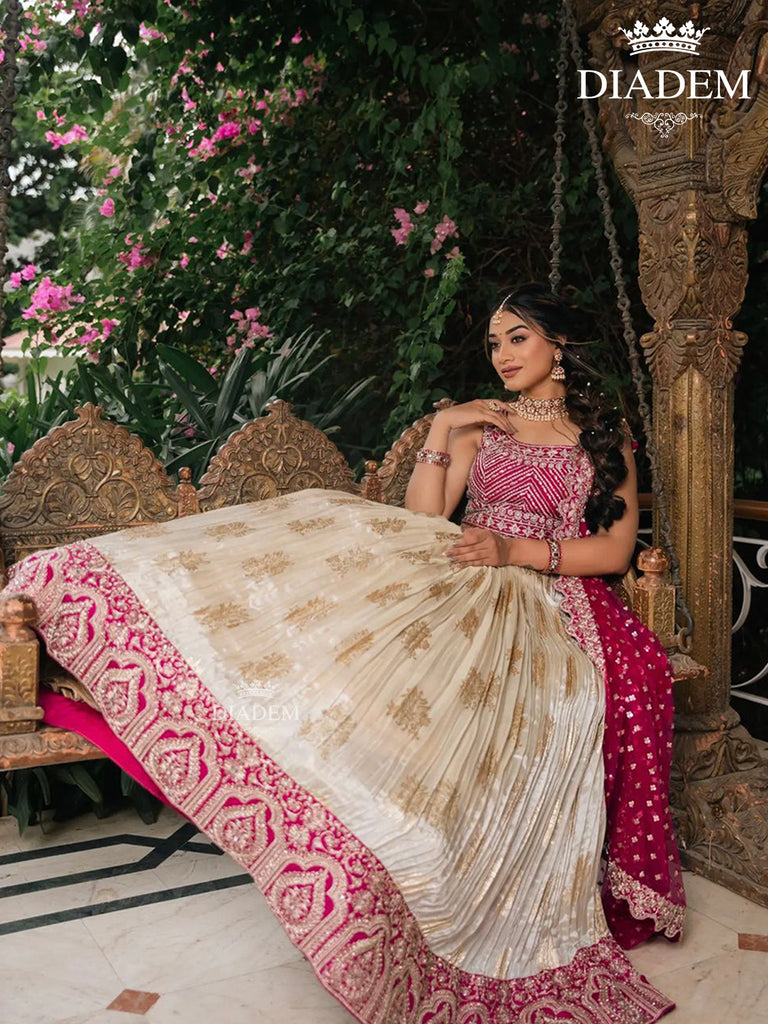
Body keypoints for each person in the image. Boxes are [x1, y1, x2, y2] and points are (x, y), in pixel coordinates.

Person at [5, 283, 684, 1023]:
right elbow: (423, 520)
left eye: (517, 338)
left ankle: (441, 865)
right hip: (456, 570)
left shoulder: (602, 435)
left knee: (512, 712)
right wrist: (445, 424)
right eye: (494, 342)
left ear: (559, 345)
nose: (502, 355)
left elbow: (617, 551)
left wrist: (513, 550)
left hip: (548, 592)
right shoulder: (478, 428)